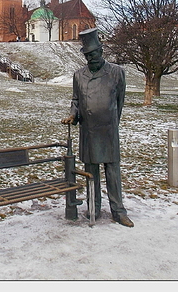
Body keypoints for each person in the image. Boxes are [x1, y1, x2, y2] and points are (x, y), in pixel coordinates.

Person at [61, 28, 134, 227]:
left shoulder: (116, 73)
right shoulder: (79, 75)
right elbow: (76, 100)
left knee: (112, 171)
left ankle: (118, 211)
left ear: (101, 51)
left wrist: (111, 122)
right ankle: (93, 206)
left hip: (108, 130)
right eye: (87, 55)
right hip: (88, 130)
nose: (91, 58)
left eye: (93, 53)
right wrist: (73, 115)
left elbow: (119, 102)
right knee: (91, 170)